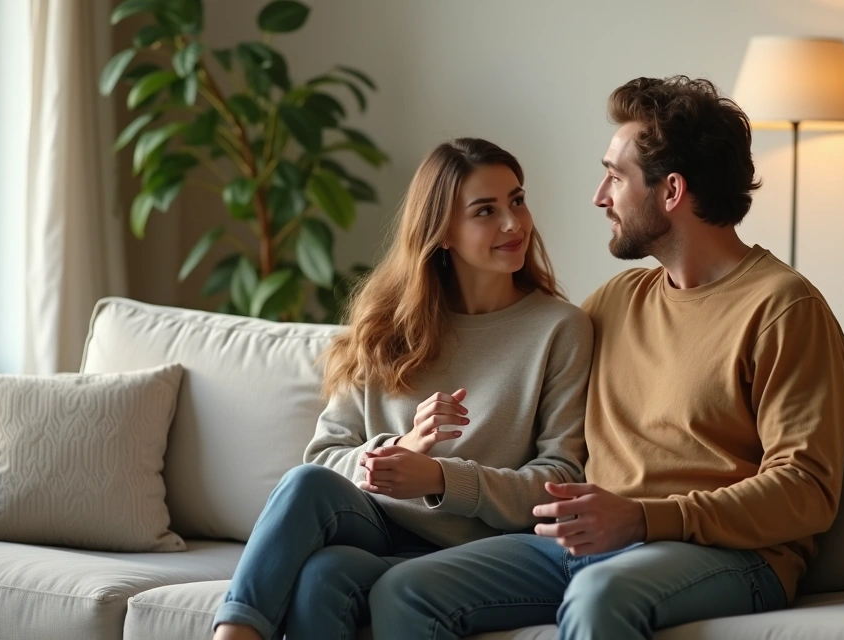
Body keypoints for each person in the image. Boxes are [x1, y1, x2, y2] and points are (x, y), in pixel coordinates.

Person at [369, 76, 844, 640]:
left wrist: (647, 518)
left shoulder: (782, 308)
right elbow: (523, 365)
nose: (600, 197)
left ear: (670, 191)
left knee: (600, 595)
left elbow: (807, 490)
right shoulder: (614, 304)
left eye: (615, 177)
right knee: (404, 591)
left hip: (731, 556)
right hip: (587, 545)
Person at [211, 138, 593, 640]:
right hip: (379, 529)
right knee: (305, 486)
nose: (512, 224)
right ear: (443, 233)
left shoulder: (560, 328)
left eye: (517, 201)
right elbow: (325, 456)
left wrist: (438, 476)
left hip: (480, 553)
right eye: (486, 210)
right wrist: (398, 451)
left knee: (321, 579)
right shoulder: (387, 326)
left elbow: (559, 477)